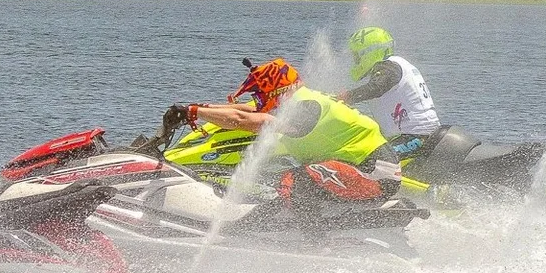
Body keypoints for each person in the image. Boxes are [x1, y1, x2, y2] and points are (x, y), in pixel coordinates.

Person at [169, 58, 401, 216]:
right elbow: (243, 111)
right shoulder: (298, 100)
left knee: (294, 181)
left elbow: (249, 121)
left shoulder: (306, 106)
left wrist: (196, 112)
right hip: (355, 170)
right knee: (274, 177)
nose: (258, 97)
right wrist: (193, 109)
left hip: (375, 173)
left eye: (260, 92)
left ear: (276, 89)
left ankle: (315, 244)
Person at [336, 27, 440, 156]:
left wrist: (347, 97)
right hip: (417, 136)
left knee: (364, 160)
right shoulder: (398, 64)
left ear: (368, 53)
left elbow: (375, 88)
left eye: (357, 57)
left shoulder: (388, 67)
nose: (355, 61)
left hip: (416, 138)